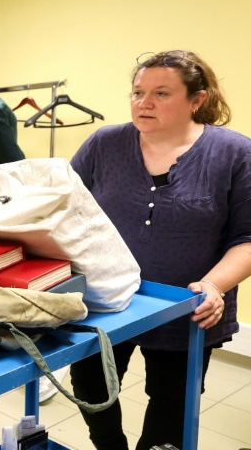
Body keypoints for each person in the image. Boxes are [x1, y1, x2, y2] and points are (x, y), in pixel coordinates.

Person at [68, 50, 251, 449]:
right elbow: (64, 208)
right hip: (104, 301)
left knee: (172, 403)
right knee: (91, 386)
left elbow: (247, 237)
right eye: (137, 92)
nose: (143, 103)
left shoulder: (235, 153)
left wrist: (215, 285)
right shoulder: (104, 143)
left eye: (162, 94)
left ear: (197, 100)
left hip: (185, 309)